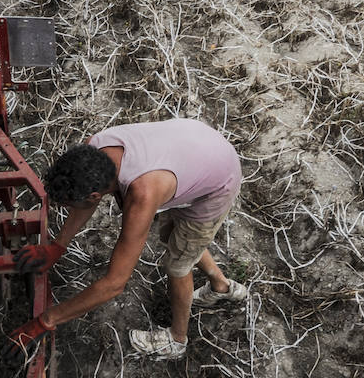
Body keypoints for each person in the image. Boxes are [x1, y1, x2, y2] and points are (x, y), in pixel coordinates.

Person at [12, 118, 245, 360]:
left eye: (71, 204)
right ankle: (221, 286)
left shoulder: (143, 195)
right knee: (178, 238)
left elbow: (114, 283)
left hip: (219, 179)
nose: (71, 208)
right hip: (195, 147)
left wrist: (46, 320)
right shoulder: (95, 148)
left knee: (178, 265)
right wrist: (57, 247)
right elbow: (84, 204)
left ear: (94, 196)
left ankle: (177, 340)